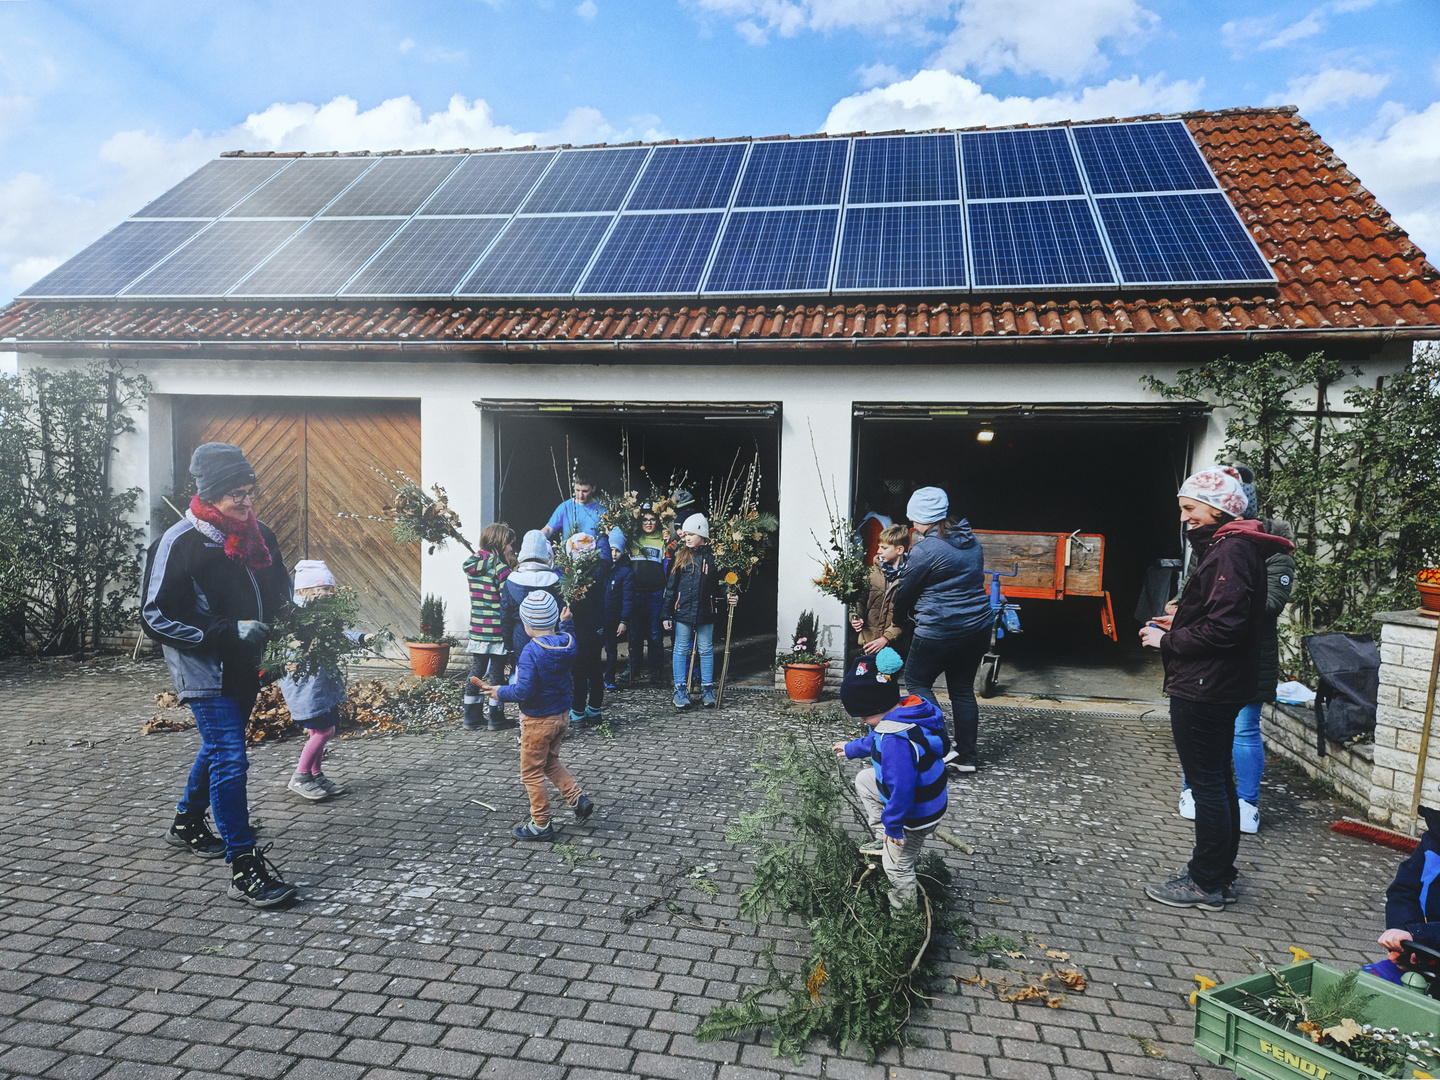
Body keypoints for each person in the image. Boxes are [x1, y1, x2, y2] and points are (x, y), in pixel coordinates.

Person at [142, 442, 298, 909]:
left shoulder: (260, 534)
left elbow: (280, 590)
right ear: (209, 496)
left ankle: (187, 823)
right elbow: (154, 615)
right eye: (236, 494)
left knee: (217, 746)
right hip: (204, 665)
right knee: (231, 756)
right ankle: (244, 867)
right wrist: (227, 629)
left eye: (251, 491)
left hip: (245, 663)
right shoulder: (179, 542)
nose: (247, 502)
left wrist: (302, 625)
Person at [1140, 466, 1293, 911]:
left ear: (1218, 508)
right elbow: (1225, 615)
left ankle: (1205, 882)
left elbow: (1226, 628)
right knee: (1218, 782)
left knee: (1207, 785)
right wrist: (1181, 619)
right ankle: (1216, 873)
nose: (1185, 517)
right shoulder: (1237, 546)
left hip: (1205, 685)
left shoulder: (1229, 551)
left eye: (1190, 508)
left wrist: (1167, 639)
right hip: (1219, 682)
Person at [1177, 516, 1296, 834]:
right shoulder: (1211, 546)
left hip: (1251, 657)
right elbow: (1188, 593)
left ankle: (1247, 804)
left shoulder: (1276, 553)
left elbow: (1270, 604)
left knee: (1244, 729)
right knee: (1199, 726)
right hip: (1208, 654)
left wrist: (1223, 600)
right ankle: (1192, 791)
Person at [472, 591, 595, 841]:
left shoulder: (530, 651)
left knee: (531, 773)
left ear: (527, 624)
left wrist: (498, 692)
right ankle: (577, 798)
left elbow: (523, 690)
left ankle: (541, 823)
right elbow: (570, 634)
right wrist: (567, 621)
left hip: (537, 721)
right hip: (561, 716)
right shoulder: (567, 642)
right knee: (549, 762)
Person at [831, 647, 948, 910]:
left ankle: (904, 917)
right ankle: (882, 833)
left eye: (864, 716)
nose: (862, 721)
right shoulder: (905, 713)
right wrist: (851, 748)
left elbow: (902, 789)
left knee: (897, 867)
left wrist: (895, 825)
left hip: (916, 812)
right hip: (930, 798)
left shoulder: (894, 740)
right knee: (864, 779)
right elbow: (875, 738)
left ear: (876, 707)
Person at [889, 487, 991, 772]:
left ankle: (942, 748)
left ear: (923, 519)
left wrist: (899, 620)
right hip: (977, 627)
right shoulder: (972, 542)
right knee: (961, 689)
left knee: (918, 682)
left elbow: (905, 592)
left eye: (914, 519)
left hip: (940, 629)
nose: (912, 525)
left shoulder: (925, 550)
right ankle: (967, 757)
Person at [279, 560, 377, 801]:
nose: (328, 594)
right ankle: (300, 776)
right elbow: (297, 651)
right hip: (307, 689)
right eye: (322, 589)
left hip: (320, 686)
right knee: (324, 731)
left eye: (329, 589)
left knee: (320, 731)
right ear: (304, 591)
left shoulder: (318, 616)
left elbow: (337, 636)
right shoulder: (299, 620)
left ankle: (315, 774)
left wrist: (361, 638)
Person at [662, 514, 736, 709]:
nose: (686, 538)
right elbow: (671, 588)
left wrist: (730, 594)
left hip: (706, 611)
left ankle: (707, 689)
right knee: (680, 649)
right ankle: (680, 689)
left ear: (702, 533)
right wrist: (666, 613)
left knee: (705, 650)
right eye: (685, 534)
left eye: (690, 534)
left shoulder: (714, 558)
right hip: (683, 611)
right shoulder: (681, 557)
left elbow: (723, 582)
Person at [1363, 802, 1440, 984]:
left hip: (1430, 944)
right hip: (1424, 959)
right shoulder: (1434, 842)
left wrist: (1420, 936)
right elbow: (1404, 891)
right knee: (1361, 985)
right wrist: (1406, 940)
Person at [462, 523, 517, 731]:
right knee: (496, 673)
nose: (512, 549)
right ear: (500, 544)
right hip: (496, 631)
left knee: (476, 670)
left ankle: (471, 716)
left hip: (477, 628)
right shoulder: (501, 570)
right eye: (510, 545)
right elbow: (507, 603)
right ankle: (496, 716)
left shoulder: (471, 566)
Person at [565, 531, 610, 725]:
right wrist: (603, 537)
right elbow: (606, 556)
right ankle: (595, 710)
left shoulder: (574, 577)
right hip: (598, 627)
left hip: (579, 630)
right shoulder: (600, 569)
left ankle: (578, 710)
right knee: (595, 668)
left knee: (579, 671)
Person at [849, 523, 910, 657]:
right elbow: (859, 600)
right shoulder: (872, 573)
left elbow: (909, 616)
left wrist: (886, 639)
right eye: (879, 546)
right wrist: (856, 617)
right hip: (867, 644)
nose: (878, 551)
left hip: (894, 649)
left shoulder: (910, 577)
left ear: (899, 550)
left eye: (884, 547)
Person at [502, 530, 562, 659]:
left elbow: (505, 615)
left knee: (524, 673)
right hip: (549, 638)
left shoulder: (511, 580)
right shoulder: (554, 580)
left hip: (520, 635)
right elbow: (560, 613)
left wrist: (508, 645)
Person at [627, 503, 669, 685]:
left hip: (655, 594)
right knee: (634, 634)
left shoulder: (663, 539)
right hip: (635, 594)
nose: (649, 523)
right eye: (645, 520)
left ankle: (656, 671)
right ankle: (634, 669)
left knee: (654, 634)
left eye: (652, 520)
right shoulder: (633, 538)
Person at [603, 527, 635, 691]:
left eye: (617, 550)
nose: (614, 554)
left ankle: (610, 678)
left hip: (614, 617)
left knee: (611, 649)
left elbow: (627, 598)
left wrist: (623, 620)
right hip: (599, 616)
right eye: (611, 550)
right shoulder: (602, 569)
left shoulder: (626, 572)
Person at [542, 473, 605, 542]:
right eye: (577, 490)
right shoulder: (565, 507)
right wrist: (537, 537)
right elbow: (549, 529)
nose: (580, 495)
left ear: (593, 489)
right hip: (568, 552)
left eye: (585, 491)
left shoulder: (602, 509)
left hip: (594, 551)